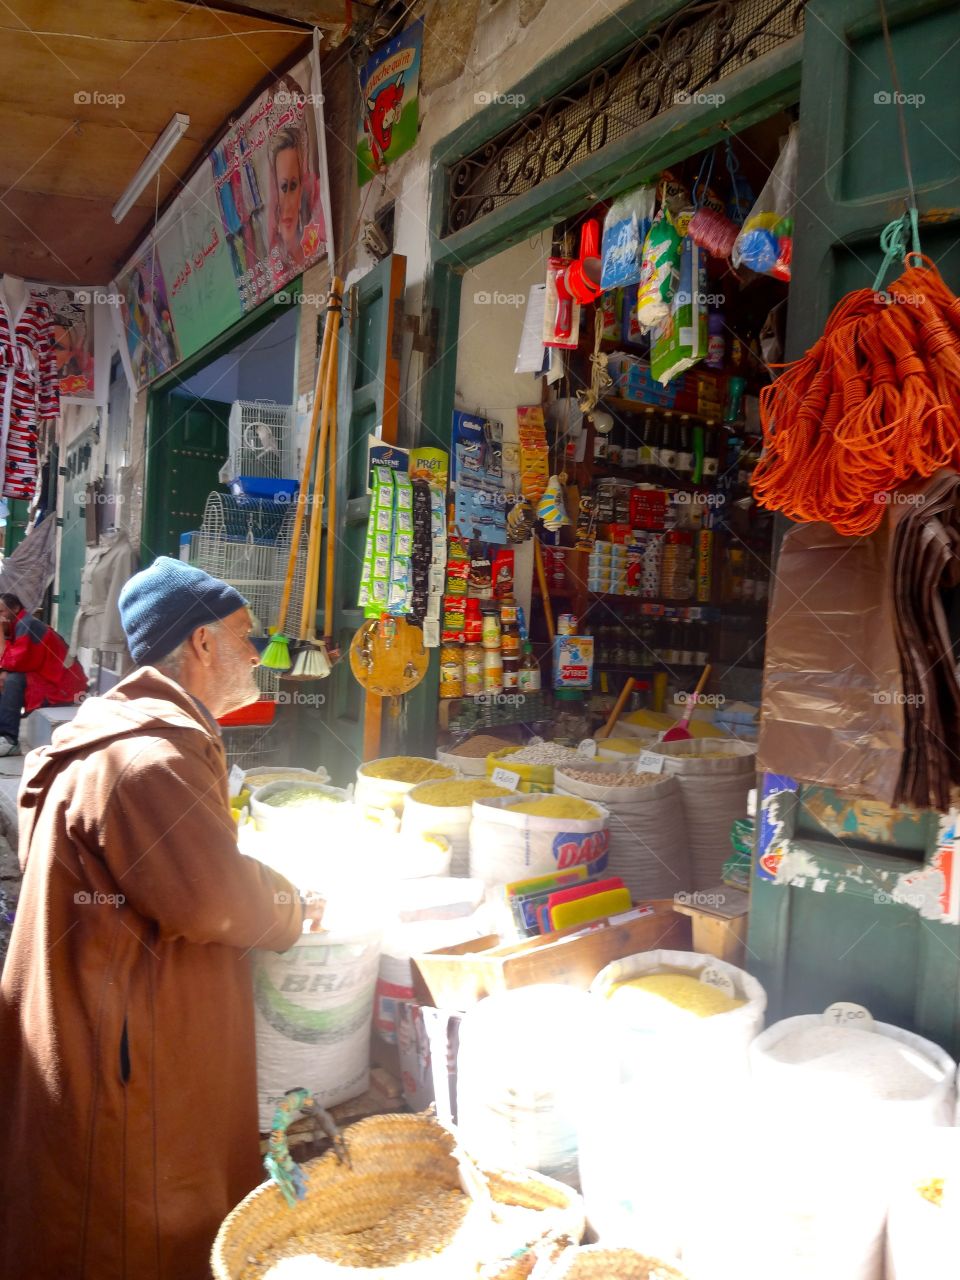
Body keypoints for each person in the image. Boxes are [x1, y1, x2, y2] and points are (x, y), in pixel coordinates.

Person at [0, 557, 323, 1279]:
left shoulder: (126, 735)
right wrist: (292, 905)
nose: (258, 651)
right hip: (119, 1059)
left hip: (96, 1030)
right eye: (246, 636)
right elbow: (210, 898)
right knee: (129, 1228)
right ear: (201, 645)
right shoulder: (149, 758)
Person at [0, 591, 87, 755]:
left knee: (12, 680)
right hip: (44, 675)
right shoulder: (15, 625)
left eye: (1, 611)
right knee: (6, 677)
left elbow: (17, 661)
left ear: (16, 608)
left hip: (61, 684)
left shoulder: (27, 624)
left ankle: (9, 739)